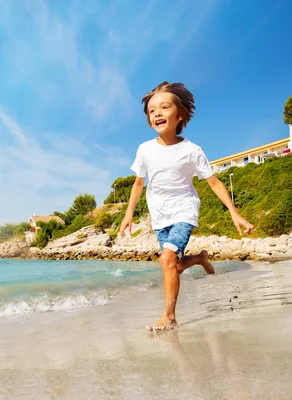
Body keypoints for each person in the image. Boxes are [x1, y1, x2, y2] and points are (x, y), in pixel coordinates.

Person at [119, 81, 253, 332]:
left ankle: (169, 317)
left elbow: (213, 182)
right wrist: (128, 216)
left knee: (166, 259)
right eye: (151, 111)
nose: (157, 113)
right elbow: (138, 184)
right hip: (159, 216)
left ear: (179, 114)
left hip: (184, 211)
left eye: (164, 107)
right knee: (175, 266)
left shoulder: (192, 150)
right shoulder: (145, 150)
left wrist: (235, 213)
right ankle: (201, 258)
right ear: (149, 121)